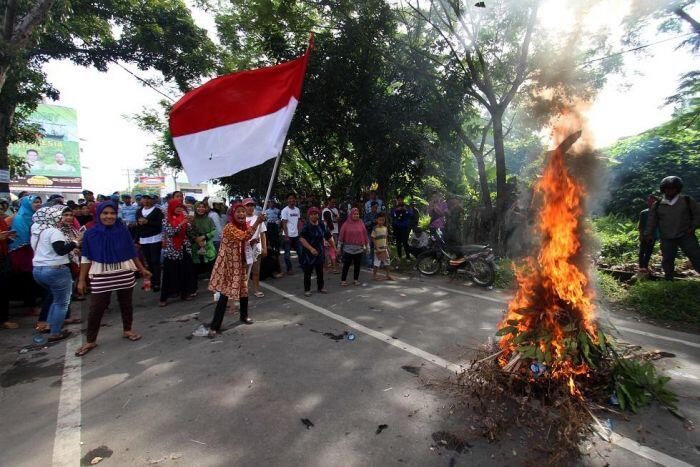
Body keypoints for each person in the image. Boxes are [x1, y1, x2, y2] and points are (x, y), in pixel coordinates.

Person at [74, 201, 151, 357]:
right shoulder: (91, 233)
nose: (109, 216)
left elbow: (131, 252)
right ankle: (90, 340)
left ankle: (127, 330)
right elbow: (86, 258)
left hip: (124, 273)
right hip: (100, 275)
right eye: (105, 213)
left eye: (112, 213)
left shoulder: (122, 231)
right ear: (98, 214)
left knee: (126, 304)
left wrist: (141, 269)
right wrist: (81, 280)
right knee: (96, 308)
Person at [208, 204, 266, 334]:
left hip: (239, 264)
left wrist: (252, 242)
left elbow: (244, 240)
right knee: (225, 294)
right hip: (228, 266)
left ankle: (244, 316)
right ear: (232, 214)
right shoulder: (229, 227)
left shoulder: (243, 226)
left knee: (243, 291)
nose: (241, 214)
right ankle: (214, 326)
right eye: (238, 212)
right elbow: (244, 236)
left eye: (243, 212)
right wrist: (258, 222)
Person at [31, 205, 83, 342]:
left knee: (56, 299)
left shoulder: (43, 231)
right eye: (62, 215)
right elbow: (60, 250)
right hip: (55, 269)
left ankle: (50, 325)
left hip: (39, 269)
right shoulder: (55, 232)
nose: (66, 218)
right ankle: (55, 332)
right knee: (61, 303)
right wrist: (76, 242)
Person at [644, 176, 700, 280]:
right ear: (663, 189)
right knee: (667, 260)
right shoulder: (658, 204)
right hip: (667, 237)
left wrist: (693, 226)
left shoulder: (687, 200)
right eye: (667, 188)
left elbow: (697, 215)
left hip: (686, 235)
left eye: (672, 188)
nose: (669, 190)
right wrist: (648, 234)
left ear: (677, 189)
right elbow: (652, 221)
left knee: (696, 257)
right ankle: (669, 281)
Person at [159, 199, 197, 306]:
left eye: (180, 207)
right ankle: (164, 297)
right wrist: (181, 224)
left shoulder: (184, 217)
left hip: (184, 247)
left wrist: (191, 222)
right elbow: (170, 233)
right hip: (172, 249)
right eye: (177, 207)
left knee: (185, 271)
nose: (179, 209)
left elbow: (190, 232)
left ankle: (185, 293)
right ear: (172, 207)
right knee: (168, 273)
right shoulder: (166, 219)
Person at [9, 195, 43, 309]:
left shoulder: (36, 217)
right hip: (23, 251)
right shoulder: (20, 218)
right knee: (27, 278)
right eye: (35, 202)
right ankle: (30, 306)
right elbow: (23, 238)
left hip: (34, 251)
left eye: (39, 202)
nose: (38, 204)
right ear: (27, 204)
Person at [300, 207, 334, 296]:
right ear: (309, 215)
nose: (315, 216)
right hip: (308, 252)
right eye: (313, 214)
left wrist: (334, 248)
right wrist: (311, 249)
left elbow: (328, 236)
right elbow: (302, 239)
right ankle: (307, 289)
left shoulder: (322, 225)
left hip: (319, 250)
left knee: (320, 271)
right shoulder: (306, 226)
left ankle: (321, 287)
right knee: (308, 272)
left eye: (316, 214)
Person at [135, 194, 163, 292]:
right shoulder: (139, 211)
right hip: (143, 239)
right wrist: (136, 239)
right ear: (141, 200)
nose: (146, 201)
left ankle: (157, 283)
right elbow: (137, 226)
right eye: (144, 199)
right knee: (148, 261)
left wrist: (147, 222)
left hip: (155, 238)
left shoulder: (157, 211)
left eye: (149, 199)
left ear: (152, 201)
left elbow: (160, 224)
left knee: (155, 261)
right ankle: (150, 281)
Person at [338, 208, 369, 286]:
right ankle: (343, 280)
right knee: (346, 266)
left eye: (357, 214)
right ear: (351, 215)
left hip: (359, 249)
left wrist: (367, 246)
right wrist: (338, 247)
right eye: (354, 214)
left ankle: (356, 280)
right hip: (348, 249)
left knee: (357, 266)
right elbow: (341, 236)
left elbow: (365, 235)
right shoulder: (346, 224)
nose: (356, 215)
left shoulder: (361, 222)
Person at [244, 198, 267, 298]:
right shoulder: (240, 219)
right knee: (243, 271)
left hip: (256, 248)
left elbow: (262, 234)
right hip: (244, 248)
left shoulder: (259, 218)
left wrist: (264, 247)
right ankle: (243, 290)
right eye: (248, 205)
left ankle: (256, 289)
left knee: (256, 271)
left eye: (252, 205)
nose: (250, 207)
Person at [1, 213, 18, 329]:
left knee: (3, 289)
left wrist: (8, 237)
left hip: (3, 257)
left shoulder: (1, 220)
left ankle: (4, 319)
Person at [191, 201, 217, 277]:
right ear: (195, 208)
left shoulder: (209, 219)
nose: (201, 209)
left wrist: (205, 236)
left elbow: (214, 230)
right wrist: (195, 238)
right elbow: (188, 230)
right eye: (199, 207)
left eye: (203, 207)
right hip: (195, 243)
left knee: (209, 261)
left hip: (207, 243)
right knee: (197, 261)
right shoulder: (192, 219)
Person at [638, 195, 659, 273]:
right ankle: (641, 267)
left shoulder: (658, 212)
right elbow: (640, 226)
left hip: (653, 235)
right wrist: (641, 235)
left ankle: (645, 266)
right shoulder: (643, 212)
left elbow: (658, 226)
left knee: (649, 252)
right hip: (644, 235)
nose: (650, 203)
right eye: (649, 201)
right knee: (642, 251)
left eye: (652, 201)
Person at [281, 193, 302, 275]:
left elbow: (298, 222)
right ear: (287, 200)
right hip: (288, 235)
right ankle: (289, 269)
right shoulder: (285, 210)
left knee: (300, 252)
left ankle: (303, 265)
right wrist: (286, 235)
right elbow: (284, 224)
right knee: (287, 254)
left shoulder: (297, 210)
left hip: (296, 235)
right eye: (290, 198)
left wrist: (300, 233)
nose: (291, 200)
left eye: (293, 198)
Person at [372, 213, 394, 281]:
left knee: (387, 262)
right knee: (377, 263)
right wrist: (377, 247)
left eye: (383, 220)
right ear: (377, 220)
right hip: (378, 249)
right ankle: (374, 276)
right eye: (380, 220)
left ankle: (388, 275)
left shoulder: (385, 228)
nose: (381, 221)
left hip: (384, 249)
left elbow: (386, 238)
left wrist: (387, 247)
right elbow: (373, 238)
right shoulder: (375, 228)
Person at [391, 195, 413, 259]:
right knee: (398, 242)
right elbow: (392, 215)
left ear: (403, 200)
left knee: (405, 242)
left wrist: (406, 210)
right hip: (397, 227)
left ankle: (408, 256)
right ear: (397, 200)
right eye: (399, 200)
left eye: (401, 199)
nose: (400, 201)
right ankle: (399, 256)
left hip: (405, 227)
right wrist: (396, 210)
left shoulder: (407, 206)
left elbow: (411, 215)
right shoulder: (395, 207)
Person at [363, 201, 379, 268]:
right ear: (371, 207)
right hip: (369, 233)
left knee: (375, 248)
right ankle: (369, 264)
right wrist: (372, 221)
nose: (375, 208)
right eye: (374, 207)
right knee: (369, 248)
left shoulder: (378, 215)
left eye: (376, 207)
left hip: (377, 233)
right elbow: (365, 224)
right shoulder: (368, 215)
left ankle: (375, 263)